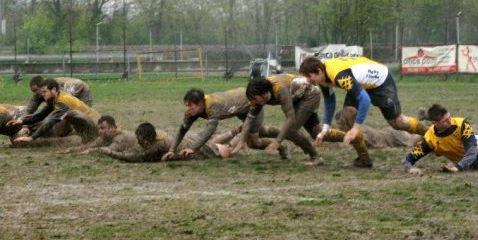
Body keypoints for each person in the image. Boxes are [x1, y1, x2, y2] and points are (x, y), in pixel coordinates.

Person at [236, 74, 372, 167]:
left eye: (254, 98)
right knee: (317, 133)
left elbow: (290, 118)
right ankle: (355, 141)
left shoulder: (280, 90)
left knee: (291, 129)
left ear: (264, 93)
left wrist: (278, 141)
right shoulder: (259, 97)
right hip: (298, 97)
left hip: (310, 94)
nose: (253, 102)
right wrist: (242, 141)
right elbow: (249, 119)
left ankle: (315, 157)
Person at [299, 56, 427, 147]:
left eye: (309, 76)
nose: (308, 80)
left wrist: (355, 128)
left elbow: (364, 100)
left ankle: (429, 134)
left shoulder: (339, 76)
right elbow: (329, 100)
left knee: (398, 123)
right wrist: (325, 128)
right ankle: (364, 158)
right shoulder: (322, 77)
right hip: (362, 83)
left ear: (319, 71)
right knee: (346, 116)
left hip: (381, 82)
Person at [161, 87, 287, 161]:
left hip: (251, 105)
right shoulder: (194, 111)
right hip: (240, 110)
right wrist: (172, 149)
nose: (188, 109)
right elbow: (182, 130)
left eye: (190, 106)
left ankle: (282, 144)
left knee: (254, 142)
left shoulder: (213, 106)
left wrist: (193, 148)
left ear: (200, 103)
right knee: (258, 134)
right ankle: (285, 135)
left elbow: (209, 131)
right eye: (187, 106)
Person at [402, 104, 478, 175]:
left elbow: (472, 150)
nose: (450, 121)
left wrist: (458, 167)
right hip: (471, 163)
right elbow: (410, 157)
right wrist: (410, 168)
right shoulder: (430, 139)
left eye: (449, 117)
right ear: (435, 123)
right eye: (445, 121)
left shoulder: (462, 124)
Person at [10, 78, 100, 145]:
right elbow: (41, 115)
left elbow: (51, 121)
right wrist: (21, 121)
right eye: (42, 92)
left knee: (61, 124)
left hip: (95, 123)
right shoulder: (55, 98)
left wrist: (31, 138)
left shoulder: (62, 101)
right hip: (90, 119)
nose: (42, 94)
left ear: (53, 90)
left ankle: (86, 138)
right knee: (60, 126)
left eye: (45, 92)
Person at [101, 122, 232, 162]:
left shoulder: (158, 144)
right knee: (213, 141)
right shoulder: (154, 134)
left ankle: (238, 137)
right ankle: (236, 131)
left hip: (197, 149)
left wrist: (110, 152)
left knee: (226, 151)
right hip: (189, 139)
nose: (139, 144)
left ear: (148, 139)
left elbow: (137, 157)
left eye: (141, 141)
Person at [58, 115, 139, 154]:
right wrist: (71, 150)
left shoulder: (120, 138)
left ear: (112, 128)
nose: (100, 131)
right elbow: (91, 145)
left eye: (103, 128)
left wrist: (90, 151)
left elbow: (109, 150)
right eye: (99, 128)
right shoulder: (105, 136)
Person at [26, 75, 93, 114]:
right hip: (70, 90)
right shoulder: (38, 94)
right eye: (33, 91)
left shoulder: (52, 86)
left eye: (35, 90)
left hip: (81, 89)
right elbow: (29, 109)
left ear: (41, 86)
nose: (35, 93)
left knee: (84, 114)